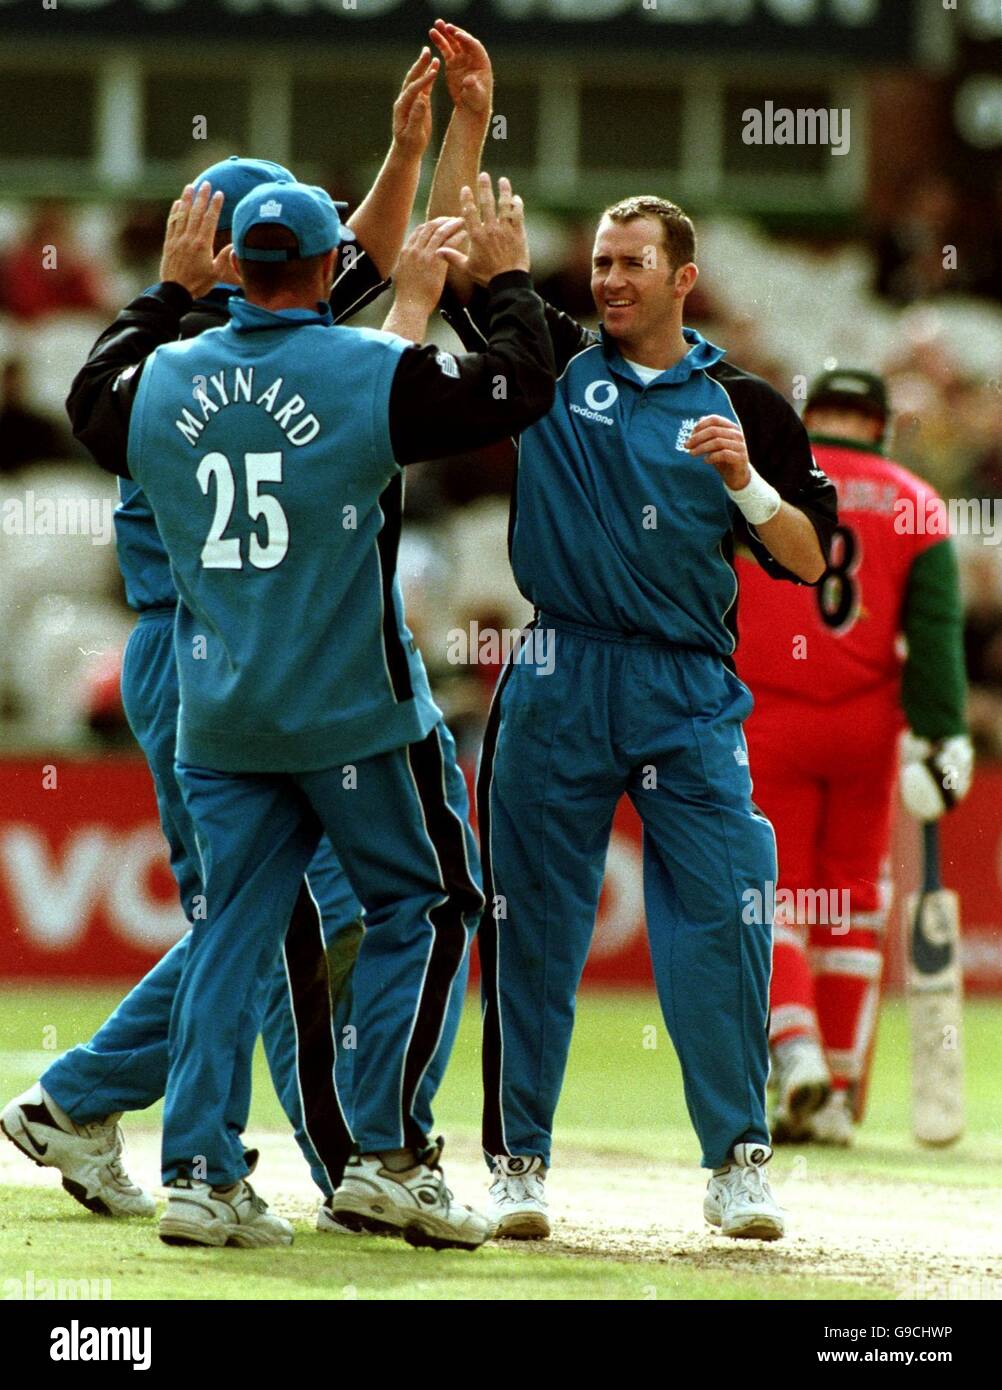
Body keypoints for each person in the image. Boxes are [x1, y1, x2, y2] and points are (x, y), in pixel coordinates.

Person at [66, 172, 554, 1250]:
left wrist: (162, 295)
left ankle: (198, 1175)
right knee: (427, 905)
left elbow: (88, 396)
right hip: (353, 718)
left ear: (234, 264)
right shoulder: (369, 367)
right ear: (335, 267)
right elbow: (520, 388)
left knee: (229, 933)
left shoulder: (160, 377)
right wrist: (508, 277)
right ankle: (387, 1156)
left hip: (224, 715)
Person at [1, 50, 444, 1228]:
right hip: (210, 656)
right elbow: (367, 313)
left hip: (213, 656)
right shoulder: (229, 359)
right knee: (275, 922)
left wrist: (407, 150)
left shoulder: (192, 350)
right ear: (235, 246)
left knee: (269, 918)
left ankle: (97, 1106)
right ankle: (323, 1154)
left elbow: (351, 267)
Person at [437, 160, 837, 1241]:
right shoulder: (553, 363)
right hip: (562, 666)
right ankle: (519, 1164)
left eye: (632, 265)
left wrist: (745, 482)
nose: (610, 280)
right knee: (530, 927)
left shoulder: (743, 402)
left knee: (723, 912)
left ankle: (738, 1164)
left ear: (684, 277)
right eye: (603, 263)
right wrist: (467, 133)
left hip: (688, 683)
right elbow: (465, 280)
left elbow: (807, 557)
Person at [734, 368, 972, 1144]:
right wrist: (946, 736)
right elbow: (935, 641)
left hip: (766, 717)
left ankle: (794, 1048)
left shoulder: (763, 482)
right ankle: (836, 1093)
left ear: (809, 416)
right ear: (884, 426)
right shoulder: (917, 503)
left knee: (771, 893)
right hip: (868, 731)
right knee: (852, 905)